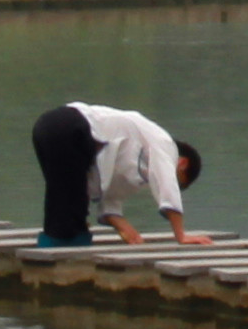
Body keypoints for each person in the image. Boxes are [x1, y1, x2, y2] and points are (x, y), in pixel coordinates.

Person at [29, 99, 201, 248]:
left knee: (65, 204)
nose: (175, 185)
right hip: (71, 125)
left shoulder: (136, 154)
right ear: (182, 163)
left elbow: (111, 196)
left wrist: (124, 228)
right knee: (69, 217)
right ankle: (60, 258)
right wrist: (181, 235)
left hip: (46, 126)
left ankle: (50, 248)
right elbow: (166, 183)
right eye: (179, 183)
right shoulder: (165, 143)